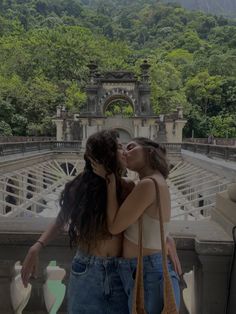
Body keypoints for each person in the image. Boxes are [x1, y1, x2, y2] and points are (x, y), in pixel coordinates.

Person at [21, 129, 133, 314]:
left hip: (118, 270)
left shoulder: (126, 187)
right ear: (107, 156)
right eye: (118, 148)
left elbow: (144, 220)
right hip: (87, 268)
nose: (124, 152)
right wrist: (37, 246)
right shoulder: (80, 187)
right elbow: (60, 220)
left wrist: (166, 237)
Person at [91, 137, 181, 314]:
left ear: (149, 151)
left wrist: (110, 181)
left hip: (147, 272)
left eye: (131, 147)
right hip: (146, 271)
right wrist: (167, 238)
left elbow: (115, 227)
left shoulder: (148, 184)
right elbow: (153, 222)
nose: (125, 152)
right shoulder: (155, 181)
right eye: (123, 149)